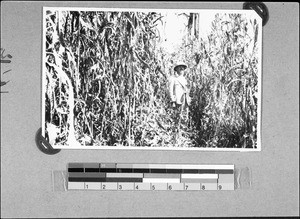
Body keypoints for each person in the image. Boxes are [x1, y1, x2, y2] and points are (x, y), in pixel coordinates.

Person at [169, 62, 190, 129]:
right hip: (177, 101)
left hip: (185, 101)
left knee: (184, 116)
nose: (182, 69)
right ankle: (176, 132)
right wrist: (173, 100)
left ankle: (183, 131)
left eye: (183, 68)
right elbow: (170, 90)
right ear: (176, 69)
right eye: (180, 67)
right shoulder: (173, 78)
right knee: (177, 117)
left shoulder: (184, 79)